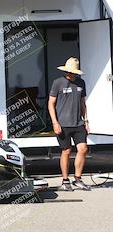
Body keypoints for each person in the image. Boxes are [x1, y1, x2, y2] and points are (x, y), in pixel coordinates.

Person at [48, 57, 91, 191]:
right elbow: (51, 103)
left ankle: (77, 179)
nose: (70, 73)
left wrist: (87, 121)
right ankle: (65, 181)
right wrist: (55, 123)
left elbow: (83, 103)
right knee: (66, 151)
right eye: (69, 71)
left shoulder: (81, 83)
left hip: (78, 123)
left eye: (73, 72)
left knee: (83, 149)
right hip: (63, 124)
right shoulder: (58, 83)